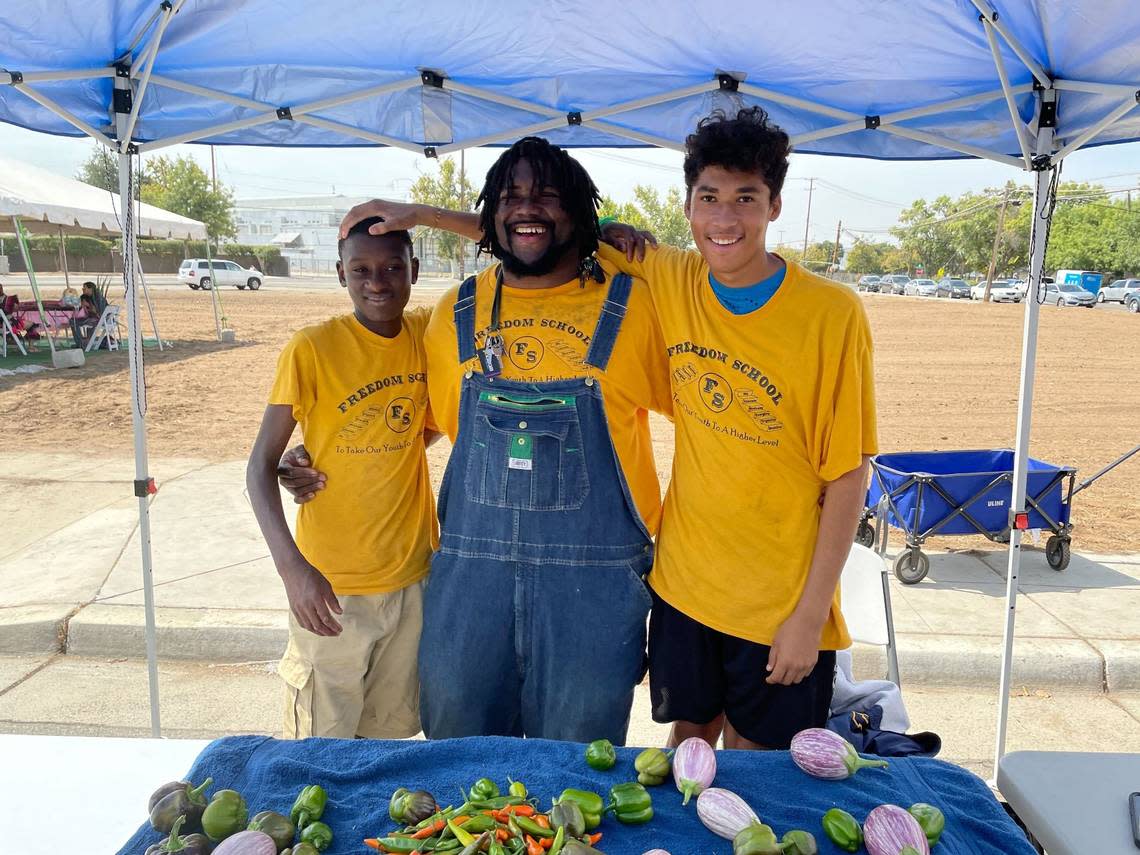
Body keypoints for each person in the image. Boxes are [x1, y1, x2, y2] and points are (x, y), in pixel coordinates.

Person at [283, 137, 672, 744]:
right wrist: (310, 454)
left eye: (548, 196)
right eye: (511, 196)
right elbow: (414, 421)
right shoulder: (450, 314)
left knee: (572, 782)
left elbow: (707, 431)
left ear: (580, 213)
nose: (528, 209)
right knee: (460, 769)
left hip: (591, 597)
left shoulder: (638, 306)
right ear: (490, 214)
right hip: (470, 588)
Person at [598, 106, 877, 750]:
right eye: (710, 198)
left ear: (774, 206)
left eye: (745, 198)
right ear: (689, 206)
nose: (725, 219)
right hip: (685, 586)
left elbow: (847, 473)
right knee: (687, 761)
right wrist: (421, 216)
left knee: (759, 784)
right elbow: (534, 231)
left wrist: (809, 617)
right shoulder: (672, 275)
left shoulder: (830, 315)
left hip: (777, 609)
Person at [246, 220, 438, 739]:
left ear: (414, 272)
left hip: (411, 582)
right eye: (361, 270)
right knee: (320, 750)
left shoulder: (426, 336)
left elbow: (418, 431)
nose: (378, 282)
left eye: (393, 267)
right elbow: (260, 465)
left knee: (387, 744)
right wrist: (294, 571)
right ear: (340, 275)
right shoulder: (312, 348)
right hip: (330, 590)